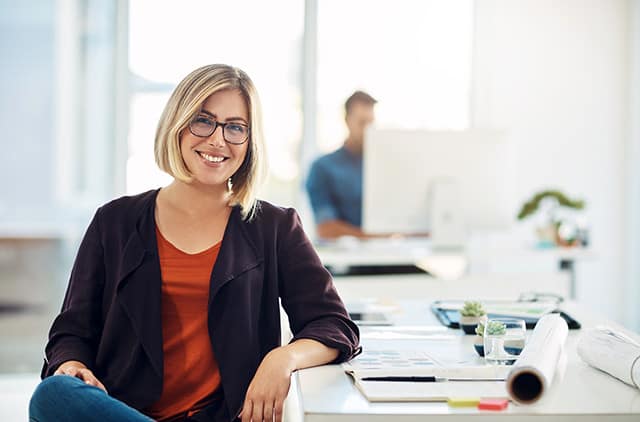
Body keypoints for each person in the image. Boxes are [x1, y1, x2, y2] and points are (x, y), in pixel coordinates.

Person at [29, 64, 360, 422]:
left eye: (235, 127)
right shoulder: (114, 221)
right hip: (123, 411)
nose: (218, 140)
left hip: (221, 416)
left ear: (249, 142)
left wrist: (282, 358)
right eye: (203, 121)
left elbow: (334, 325)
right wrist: (73, 364)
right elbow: (71, 330)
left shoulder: (275, 227)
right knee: (52, 395)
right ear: (178, 125)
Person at [305, 91, 376, 240]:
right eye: (362, 123)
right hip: (345, 259)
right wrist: (375, 236)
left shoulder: (383, 168)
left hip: (390, 254)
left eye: (371, 123)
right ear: (347, 120)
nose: (367, 130)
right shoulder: (322, 167)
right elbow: (326, 229)